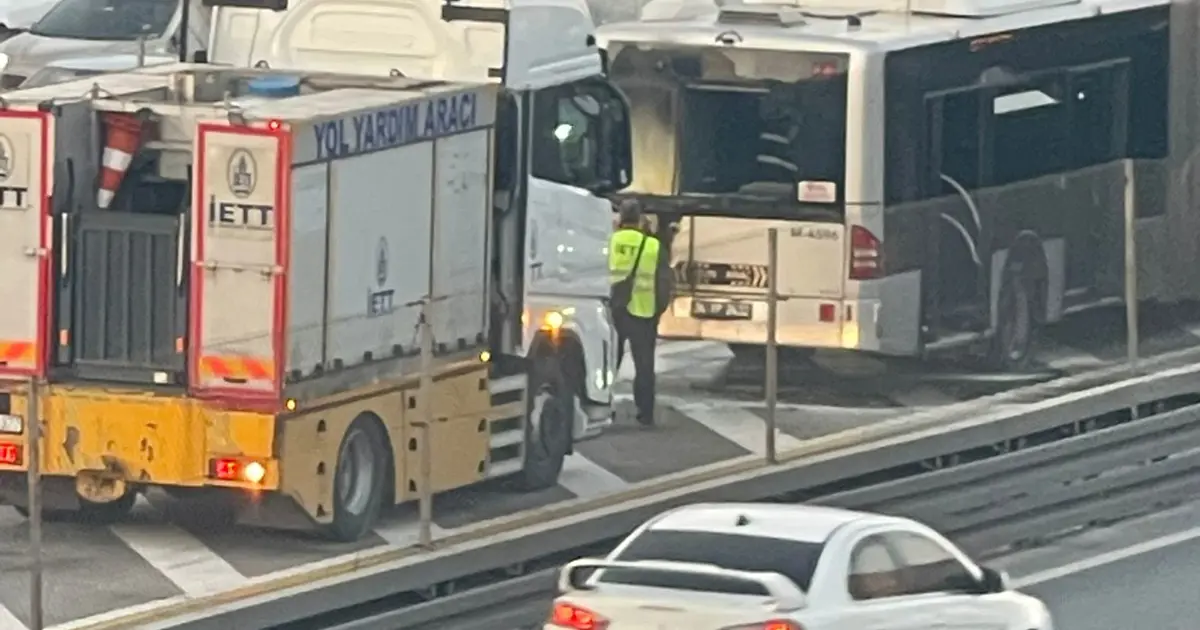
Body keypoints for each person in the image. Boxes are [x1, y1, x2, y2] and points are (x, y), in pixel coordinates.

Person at [608, 199, 670, 426]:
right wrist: (658, 309)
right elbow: (664, 283)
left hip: (613, 310)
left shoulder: (609, 241)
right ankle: (645, 413)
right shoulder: (652, 246)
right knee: (644, 366)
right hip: (644, 313)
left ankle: (604, 405)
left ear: (620, 218)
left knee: (608, 363)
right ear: (641, 218)